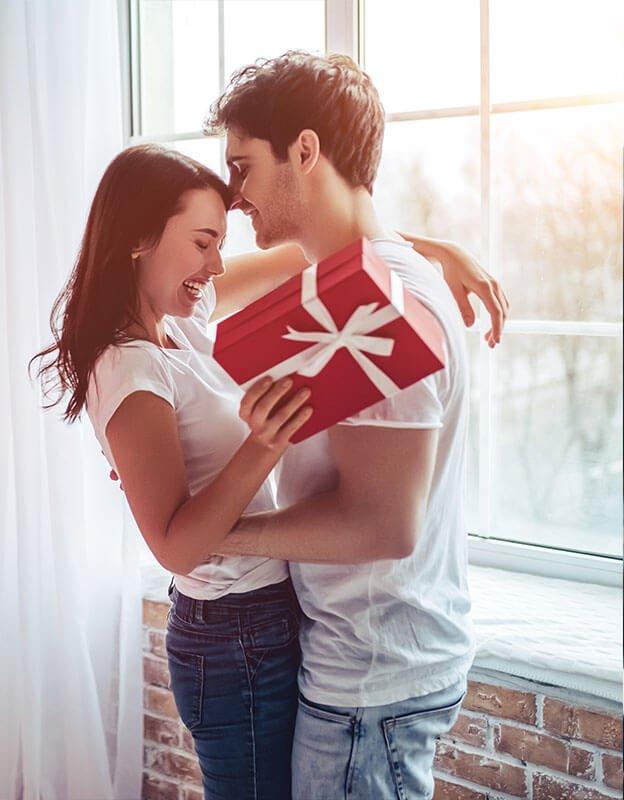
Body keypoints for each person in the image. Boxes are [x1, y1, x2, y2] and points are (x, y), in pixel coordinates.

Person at [31, 139, 504, 798]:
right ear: (139, 239)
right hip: (230, 638)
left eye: (219, 243)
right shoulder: (133, 369)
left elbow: (302, 252)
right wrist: (265, 443)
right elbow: (175, 544)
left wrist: (432, 250)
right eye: (202, 243)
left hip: (267, 617)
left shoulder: (183, 319)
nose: (216, 264)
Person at [203, 51, 491, 800]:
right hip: (377, 667)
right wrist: (427, 240)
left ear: (305, 150)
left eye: (243, 167)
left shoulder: (373, 312)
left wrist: (216, 532)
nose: (234, 199)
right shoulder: (357, 284)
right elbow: (184, 289)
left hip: (372, 684)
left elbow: (382, 524)